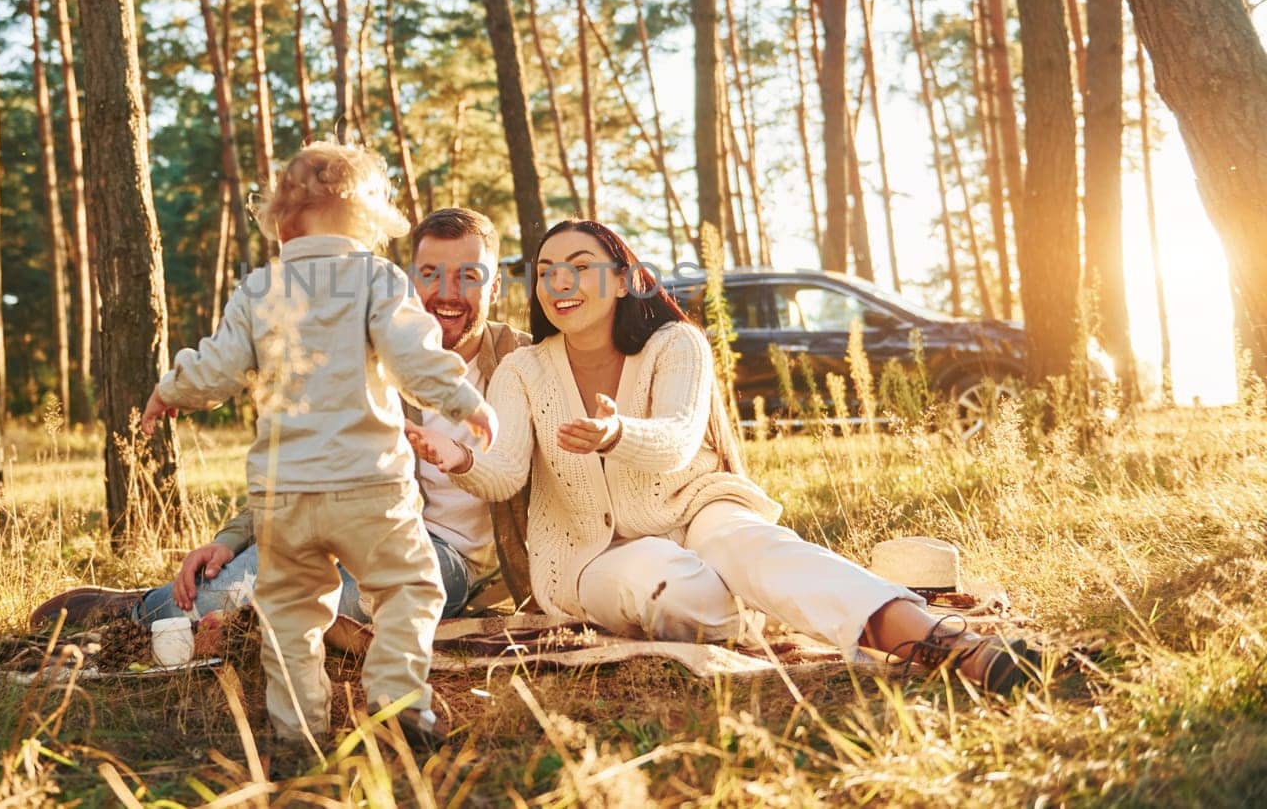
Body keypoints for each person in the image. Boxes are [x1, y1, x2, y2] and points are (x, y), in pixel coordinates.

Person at [411, 219, 1041, 694]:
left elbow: (681, 439)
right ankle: (788, 604)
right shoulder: (523, 369)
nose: (560, 282)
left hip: (697, 509)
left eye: (580, 265)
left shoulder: (675, 344)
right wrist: (461, 461)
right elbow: (507, 472)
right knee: (670, 586)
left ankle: (952, 645)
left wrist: (615, 434)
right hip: (587, 555)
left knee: (759, 550)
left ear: (628, 278)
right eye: (547, 270)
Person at [138, 143, 496, 751]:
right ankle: (397, 699)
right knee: (410, 588)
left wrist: (170, 389)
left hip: (284, 498)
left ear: (280, 220)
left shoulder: (257, 290)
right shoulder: (379, 279)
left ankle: (298, 732)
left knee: (289, 616)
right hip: (371, 492)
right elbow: (414, 356)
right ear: (372, 223)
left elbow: (217, 369)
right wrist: (465, 399)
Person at [28, 208, 536, 636]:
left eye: (469, 276)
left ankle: (176, 618)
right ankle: (146, 614)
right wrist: (230, 540)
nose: (448, 292)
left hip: (451, 561)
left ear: (494, 284)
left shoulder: (523, 363)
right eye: (431, 274)